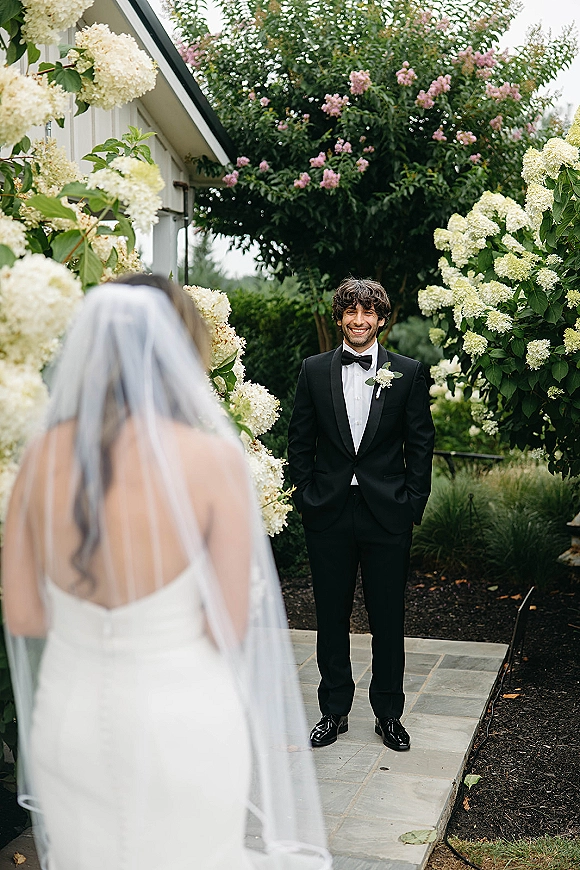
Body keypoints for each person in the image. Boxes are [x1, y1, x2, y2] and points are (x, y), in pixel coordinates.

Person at [2, 276, 331, 870]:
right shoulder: (213, 462)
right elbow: (227, 626)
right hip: (178, 720)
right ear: (183, 353)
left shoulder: (41, 455)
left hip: (69, 720)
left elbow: (23, 614)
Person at [288, 277, 435, 751]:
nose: (359, 320)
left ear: (381, 319)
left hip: (386, 515)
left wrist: (412, 504)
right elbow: (299, 440)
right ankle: (334, 711)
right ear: (338, 318)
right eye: (350, 312)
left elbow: (421, 443)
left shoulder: (408, 373)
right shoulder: (313, 370)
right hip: (328, 513)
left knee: (388, 617)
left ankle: (389, 713)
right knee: (330, 615)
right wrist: (307, 496)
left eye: (368, 312)